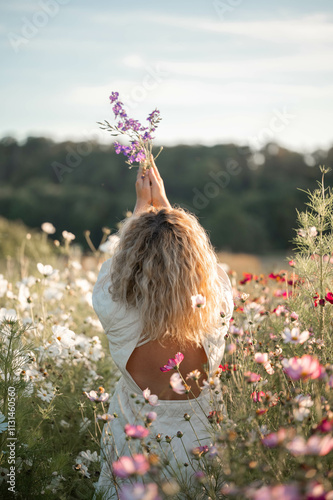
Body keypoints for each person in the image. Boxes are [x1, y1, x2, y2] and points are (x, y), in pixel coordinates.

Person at [92, 157, 234, 499]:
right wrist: (169, 214)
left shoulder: (115, 309)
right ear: (196, 260)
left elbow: (113, 267)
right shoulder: (215, 307)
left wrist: (142, 211)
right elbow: (210, 270)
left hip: (133, 441)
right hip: (200, 440)